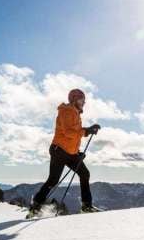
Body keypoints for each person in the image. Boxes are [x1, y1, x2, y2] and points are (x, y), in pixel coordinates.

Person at [28, 89, 101, 217]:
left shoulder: (76, 114)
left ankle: (86, 205)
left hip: (69, 153)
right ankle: (36, 206)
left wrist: (77, 153)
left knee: (84, 174)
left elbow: (73, 136)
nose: (83, 102)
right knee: (53, 180)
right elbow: (69, 132)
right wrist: (87, 131)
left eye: (84, 100)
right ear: (73, 99)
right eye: (81, 99)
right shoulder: (67, 111)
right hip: (59, 151)